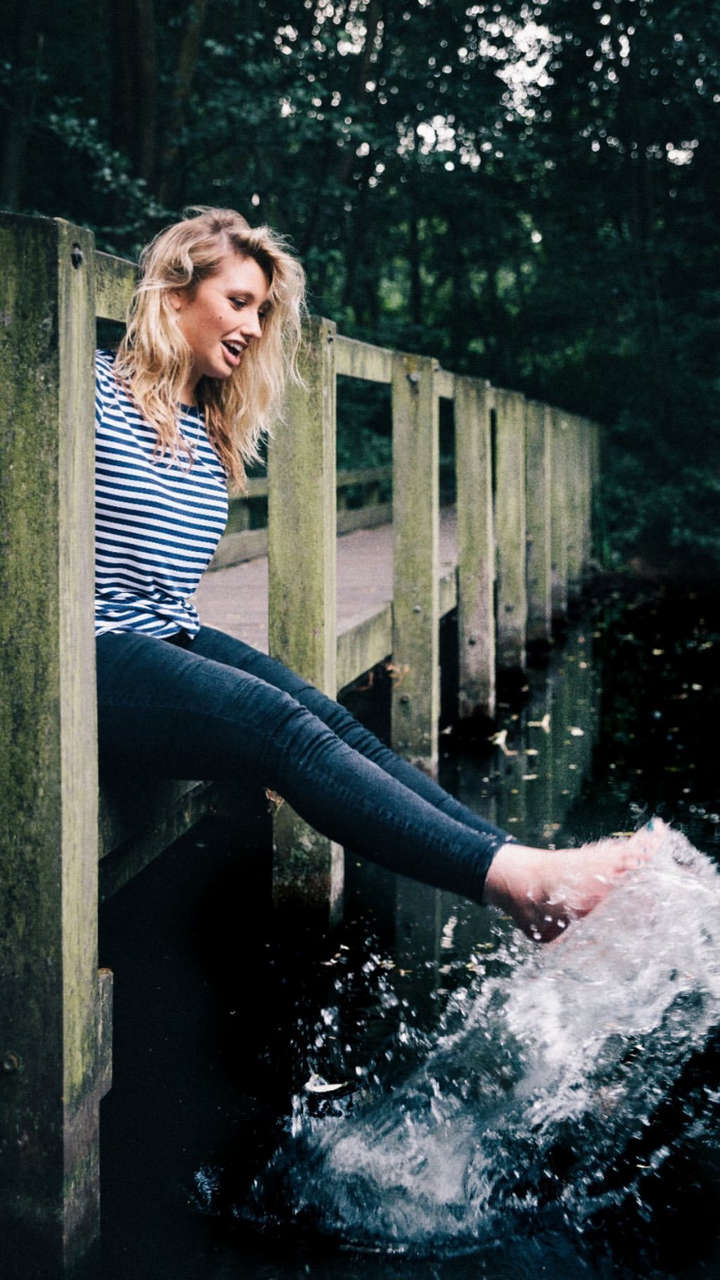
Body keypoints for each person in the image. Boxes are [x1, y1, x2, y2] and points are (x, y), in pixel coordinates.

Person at [96, 206, 655, 944]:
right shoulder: (87, 389)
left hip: (164, 630)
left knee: (330, 719)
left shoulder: (205, 419)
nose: (255, 327)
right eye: (238, 302)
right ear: (172, 294)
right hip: (82, 647)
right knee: (279, 728)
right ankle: (518, 882)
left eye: (262, 310)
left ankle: (520, 870)